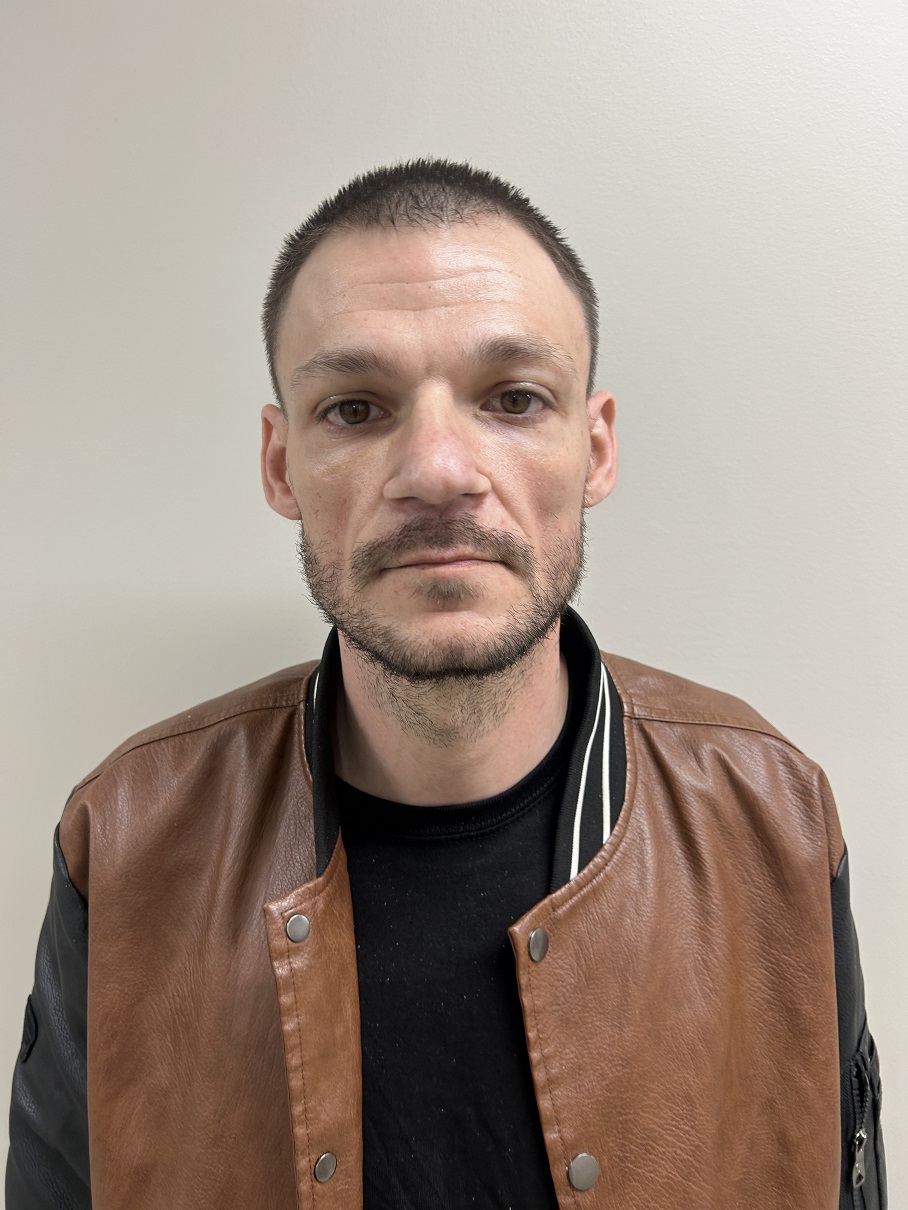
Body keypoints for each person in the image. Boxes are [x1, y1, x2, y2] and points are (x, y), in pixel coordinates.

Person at [7, 159, 886, 1209]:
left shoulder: (775, 816)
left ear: (595, 447)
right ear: (280, 465)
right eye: (355, 408)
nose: (437, 470)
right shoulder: (126, 837)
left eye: (513, 399)